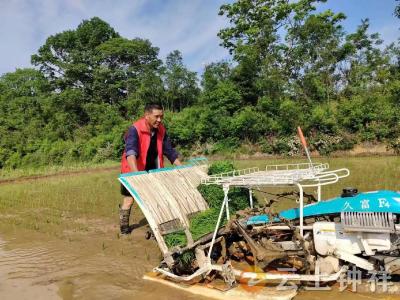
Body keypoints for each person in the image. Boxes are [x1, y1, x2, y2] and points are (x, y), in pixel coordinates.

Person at [119, 103, 182, 234]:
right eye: (156, 116)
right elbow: (130, 152)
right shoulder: (135, 129)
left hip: (153, 169)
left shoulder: (161, 130)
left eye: (161, 117)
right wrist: (136, 176)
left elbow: (169, 151)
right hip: (133, 169)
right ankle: (124, 227)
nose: (159, 120)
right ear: (147, 116)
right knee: (129, 199)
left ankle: (156, 228)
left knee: (156, 197)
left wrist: (181, 167)